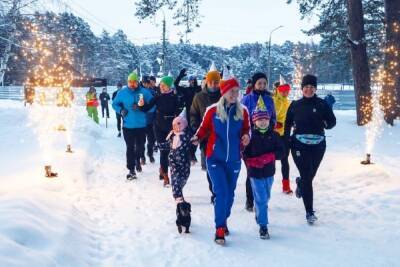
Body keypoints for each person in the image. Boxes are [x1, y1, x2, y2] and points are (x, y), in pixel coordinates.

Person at [192, 74, 250, 245]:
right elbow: (203, 129)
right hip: (215, 158)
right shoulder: (212, 110)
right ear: (223, 92)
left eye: (236, 92)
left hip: (234, 159)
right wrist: (196, 137)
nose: (234, 95)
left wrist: (247, 136)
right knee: (221, 192)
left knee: (230, 195)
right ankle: (219, 228)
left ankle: (224, 220)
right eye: (231, 91)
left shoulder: (243, 111)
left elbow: (247, 129)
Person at [284, 74, 336, 224]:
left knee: (310, 175)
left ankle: (300, 184)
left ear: (315, 89)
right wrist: (286, 141)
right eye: (306, 87)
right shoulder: (295, 105)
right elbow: (287, 125)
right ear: (302, 89)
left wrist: (327, 122)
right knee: (307, 176)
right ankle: (309, 212)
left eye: (312, 87)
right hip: (299, 145)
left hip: (318, 145)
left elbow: (332, 122)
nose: (308, 89)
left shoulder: (322, 104)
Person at [244, 96, 284, 239]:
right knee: (261, 198)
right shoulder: (250, 136)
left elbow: (282, 151)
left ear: (269, 120)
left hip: (269, 172)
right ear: (254, 121)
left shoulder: (274, 135)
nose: (262, 122)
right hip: (255, 173)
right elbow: (245, 153)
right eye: (259, 120)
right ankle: (263, 226)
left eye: (265, 119)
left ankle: (259, 210)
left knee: (266, 197)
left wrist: (270, 157)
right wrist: (252, 162)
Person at [241, 72, 276, 212]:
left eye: (264, 83)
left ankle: (261, 200)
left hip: (265, 140)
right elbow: (242, 118)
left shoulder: (269, 99)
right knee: (252, 171)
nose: (262, 86)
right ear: (254, 84)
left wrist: (270, 128)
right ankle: (250, 200)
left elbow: (273, 117)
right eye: (259, 83)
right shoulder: (246, 99)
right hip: (250, 140)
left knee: (265, 171)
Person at [139, 75, 181, 187]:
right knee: (164, 151)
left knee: (171, 152)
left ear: (169, 87)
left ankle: (163, 170)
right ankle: (166, 176)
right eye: (161, 85)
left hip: (171, 128)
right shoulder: (158, 97)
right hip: (158, 127)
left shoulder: (175, 97)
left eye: (164, 85)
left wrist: (178, 122)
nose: (161, 87)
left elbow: (180, 113)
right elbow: (145, 108)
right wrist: (141, 104)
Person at [190, 63, 221, 204]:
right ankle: (215, 191)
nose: (214, 85)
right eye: (211, 82)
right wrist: (196, 129)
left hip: (222, 137)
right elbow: (193, 114)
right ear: (206, 82)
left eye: (216, 82)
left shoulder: (225, 95)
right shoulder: (199, 97)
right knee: (210, 166)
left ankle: (221, 188)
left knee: (222, 165)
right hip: (206, 137)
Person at [112, 72, 153, 180]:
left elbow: (153, 107)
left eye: (134, 82)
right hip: (128, 126)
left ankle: (137, 160)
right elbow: (114, 104)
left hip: (141, 126)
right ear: (127, 82)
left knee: (140, 147)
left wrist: (142, 107)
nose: (132, 84)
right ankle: (131, 170)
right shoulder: (122, 92)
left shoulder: (145, 92)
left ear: (137, 82)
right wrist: (121, 110)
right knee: (130, 147)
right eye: (130, 82)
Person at [174, 68, 202, 164]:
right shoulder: (186, 90)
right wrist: (180, 76)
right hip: (190, 115)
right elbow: (175, 85)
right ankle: (191, 154)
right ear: (188, 81)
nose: (192, 82)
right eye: (191, 80)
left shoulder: (199, 89)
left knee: (198, 134)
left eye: (194, 80)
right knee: (191, 134)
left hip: (199, 115)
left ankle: (192, 153)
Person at [167, 109, 192, 203]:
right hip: (173, 160)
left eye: (179, 125)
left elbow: (193, 142)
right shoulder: (172, 135)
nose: (176, 127)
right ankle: (177, 195)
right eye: (174, 125)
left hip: (184, 161)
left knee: (185, 176)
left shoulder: (187, 136)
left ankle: (179, 188)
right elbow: (168, 144)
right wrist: (160, 145)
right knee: (175, 177)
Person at [273, 83, 293, 194]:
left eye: (287, 91)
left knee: (285, 160)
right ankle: (267, 183)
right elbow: (267, 116)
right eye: (283, 91)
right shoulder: (273, 101)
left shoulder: (288, 102)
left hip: (285, 134)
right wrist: (274, 124)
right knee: (271, 160)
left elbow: (290, 117)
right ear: (278, 91)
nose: (285, 93)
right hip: (274, 134)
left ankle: (286, 186)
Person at [141, 75, 156, 164]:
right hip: (142, 120)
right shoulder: (140, 92)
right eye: (145, 83)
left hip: (152, 119)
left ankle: (150, 154)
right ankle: (142, 157)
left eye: (148, 83)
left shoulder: (153, 91)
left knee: (151, 139)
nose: (146, 85)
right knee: (141, 140)